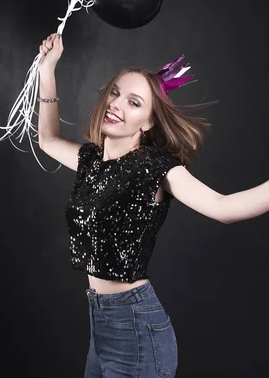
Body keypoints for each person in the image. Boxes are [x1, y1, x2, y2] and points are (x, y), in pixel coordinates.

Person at [37, 32, 269, 378]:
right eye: (115, 94)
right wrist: (48, 70)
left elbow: (225, 208)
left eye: (134, 102)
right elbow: (48, 139)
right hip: (100, 325)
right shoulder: (92, 161)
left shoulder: (154, 166)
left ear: (147, 122)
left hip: (135, 331)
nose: (117, 104)